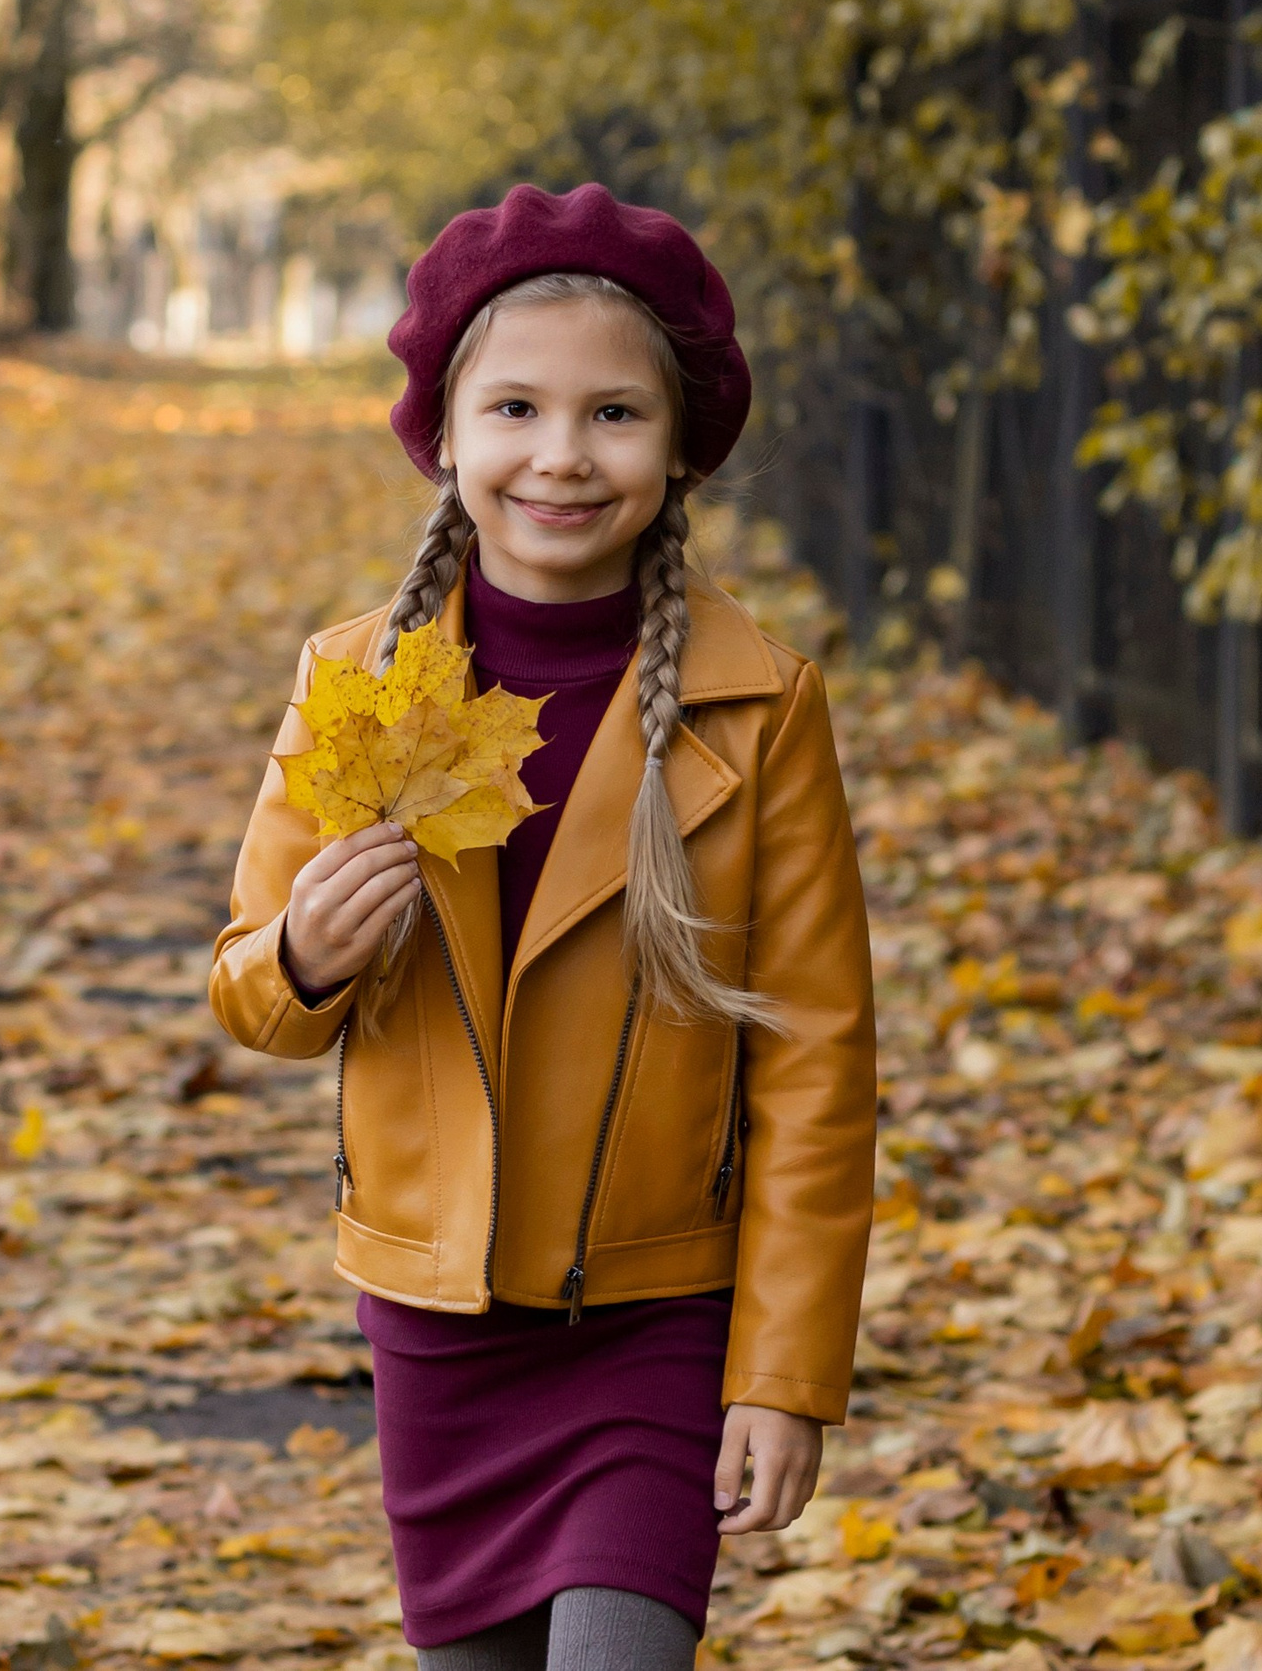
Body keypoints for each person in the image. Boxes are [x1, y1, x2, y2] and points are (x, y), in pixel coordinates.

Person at [205, 184, 877, 1671]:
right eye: (515, 407)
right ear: (445, 434)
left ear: (683, 445)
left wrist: (786, 1370)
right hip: (438, 1318)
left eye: (615, 416)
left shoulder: (760, 707)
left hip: (656, 1318)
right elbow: (250, 993)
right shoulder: (356, 687)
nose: (562, 456)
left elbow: (821, 1067)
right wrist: (307, 952)